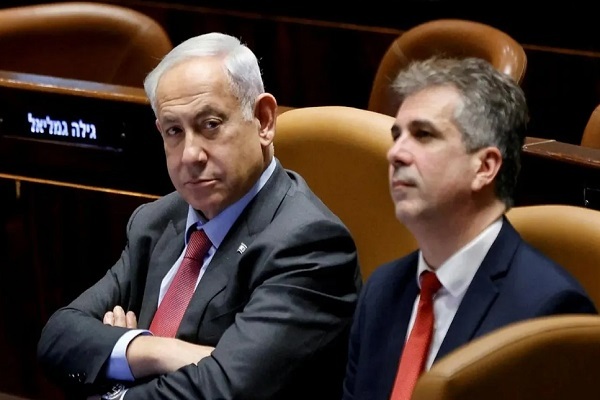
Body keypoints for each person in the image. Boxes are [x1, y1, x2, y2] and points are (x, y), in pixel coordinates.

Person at [37, 32, 361, 400]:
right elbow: (59, 337)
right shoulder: (156, 221)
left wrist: (116, 354)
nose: (190, 154)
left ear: (263, 120)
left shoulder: (309, 244)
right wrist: (152, 349)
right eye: (174, 131)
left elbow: (224, 389)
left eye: (210, 124)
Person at [342, 57, 598, 400]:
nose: (395, 154)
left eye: (423, 135)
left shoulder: (547, 311)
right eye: (397, 136)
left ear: (485, 167)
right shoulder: (381, 291)